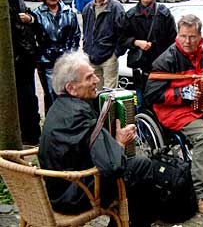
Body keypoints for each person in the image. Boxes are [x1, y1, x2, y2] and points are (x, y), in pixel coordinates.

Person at [38, 51, 158, 227]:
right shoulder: (80, 114)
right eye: (89, 77)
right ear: (71, 88)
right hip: (76, 196)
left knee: (134, 171)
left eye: (94, 74)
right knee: (142, 166)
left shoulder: (57, 107)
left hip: (55, 189)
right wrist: (120, 142)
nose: (96, 80)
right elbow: (113, 166)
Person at [144, 14, 203, 214]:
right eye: (183, 36)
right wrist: (182, 94)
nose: (187, 41)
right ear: (178, 34)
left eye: (192, 37)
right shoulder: (166, 60)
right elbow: (151, 94)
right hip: (173, 112)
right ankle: (198, 192)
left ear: (200, 36)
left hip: (199, 108)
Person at [122, 0, 177, 111]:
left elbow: (173, 39)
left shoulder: (164, 14)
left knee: (160, 103)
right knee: (141, 104)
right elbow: (121, 39)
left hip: (161, 66)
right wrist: (136, 43)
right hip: (141, 67)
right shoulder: (130, 15)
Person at [33, 0, 81, 114]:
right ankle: (53, 124)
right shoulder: (37, 14)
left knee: (68, 93)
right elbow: (35, 38)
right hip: (46, 61)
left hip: (66, 61)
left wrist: (70, 56)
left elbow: (76, 35)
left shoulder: (69, 12)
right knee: (51, 95)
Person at [6, 0, 40, 145]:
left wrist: (31, 19)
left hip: (26, 61)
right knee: (22, 99)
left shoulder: (18, 0)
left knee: (29, 99)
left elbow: (33, 22)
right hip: (17, 60)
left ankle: (31, 136)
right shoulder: (6, 1)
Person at [83, 0, 126, 90]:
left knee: (109, 94)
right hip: (92, 56)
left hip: (109, 57)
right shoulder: (88, 8)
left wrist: (115, 54)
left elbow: (123, 34)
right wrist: (86, 49)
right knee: (95, 91)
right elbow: (86, 31)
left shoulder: (116, 7)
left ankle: (108, 109)